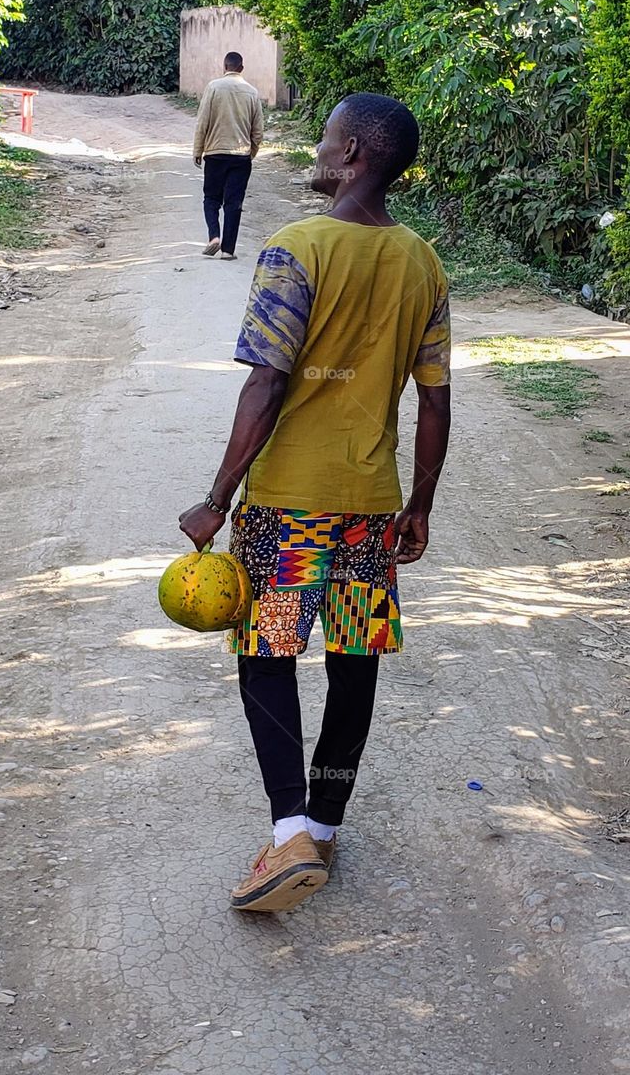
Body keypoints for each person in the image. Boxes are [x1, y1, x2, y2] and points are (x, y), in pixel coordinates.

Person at [179, 92, 451, 912]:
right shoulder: (421, 263)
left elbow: (266, 381)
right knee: (353, 658)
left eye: (331, 138)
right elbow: (435, 401)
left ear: (357, 154)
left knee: (268, 656)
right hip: (370, 508)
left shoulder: (296, 249)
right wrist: (420, 505)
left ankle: (288, 829)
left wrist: (217, 497)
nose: (321, 149)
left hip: (290, 510)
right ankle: (325, 826)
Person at [192, 51, 265, 260]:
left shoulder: (213, 87)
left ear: (224, 67)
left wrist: (198, 150)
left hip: (215, 154)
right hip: (240, 156)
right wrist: (251, 152)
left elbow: (202, 121)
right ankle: (228, 250)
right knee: (234, 203)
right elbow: (258, 130)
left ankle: (214, 236)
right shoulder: (251, 92)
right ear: (241, 68)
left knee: (211, 198)